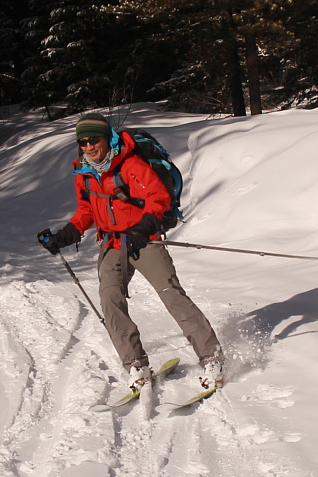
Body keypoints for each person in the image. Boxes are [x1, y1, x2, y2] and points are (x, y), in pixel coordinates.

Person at [38, 113, 224, 393]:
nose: (88, 146)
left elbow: (158, 198)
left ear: (106, 138)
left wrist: (144, 226)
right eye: (83, 142)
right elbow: (86, 211)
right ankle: (136, 365)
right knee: (110, 298)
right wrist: (63, 236)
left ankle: (212, 358)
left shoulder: (130, 164)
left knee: (171, 293)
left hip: (143, 240)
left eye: (93, 140)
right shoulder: (84, 173)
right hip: (112, 245)